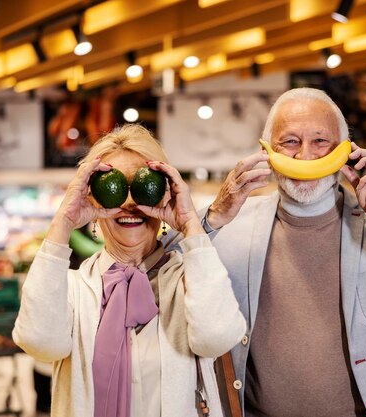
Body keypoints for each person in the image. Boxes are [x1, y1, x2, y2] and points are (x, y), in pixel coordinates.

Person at [170, 88, 366, 417]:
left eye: (320, 141)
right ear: (267, 151)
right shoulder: (230, 222)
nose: (305, 156)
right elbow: (160, 274)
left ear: (346, 152)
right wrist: (214, 215)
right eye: (289, 141)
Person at [13, 124, 246, 417]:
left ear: (163, 193)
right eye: (115, 189)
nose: (128, 204)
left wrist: (190, 224)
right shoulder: (74, 288)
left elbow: (218, 337)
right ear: (95, 198)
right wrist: (63, 222)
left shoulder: (191, 281)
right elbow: (39, 343)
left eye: (140, 187)